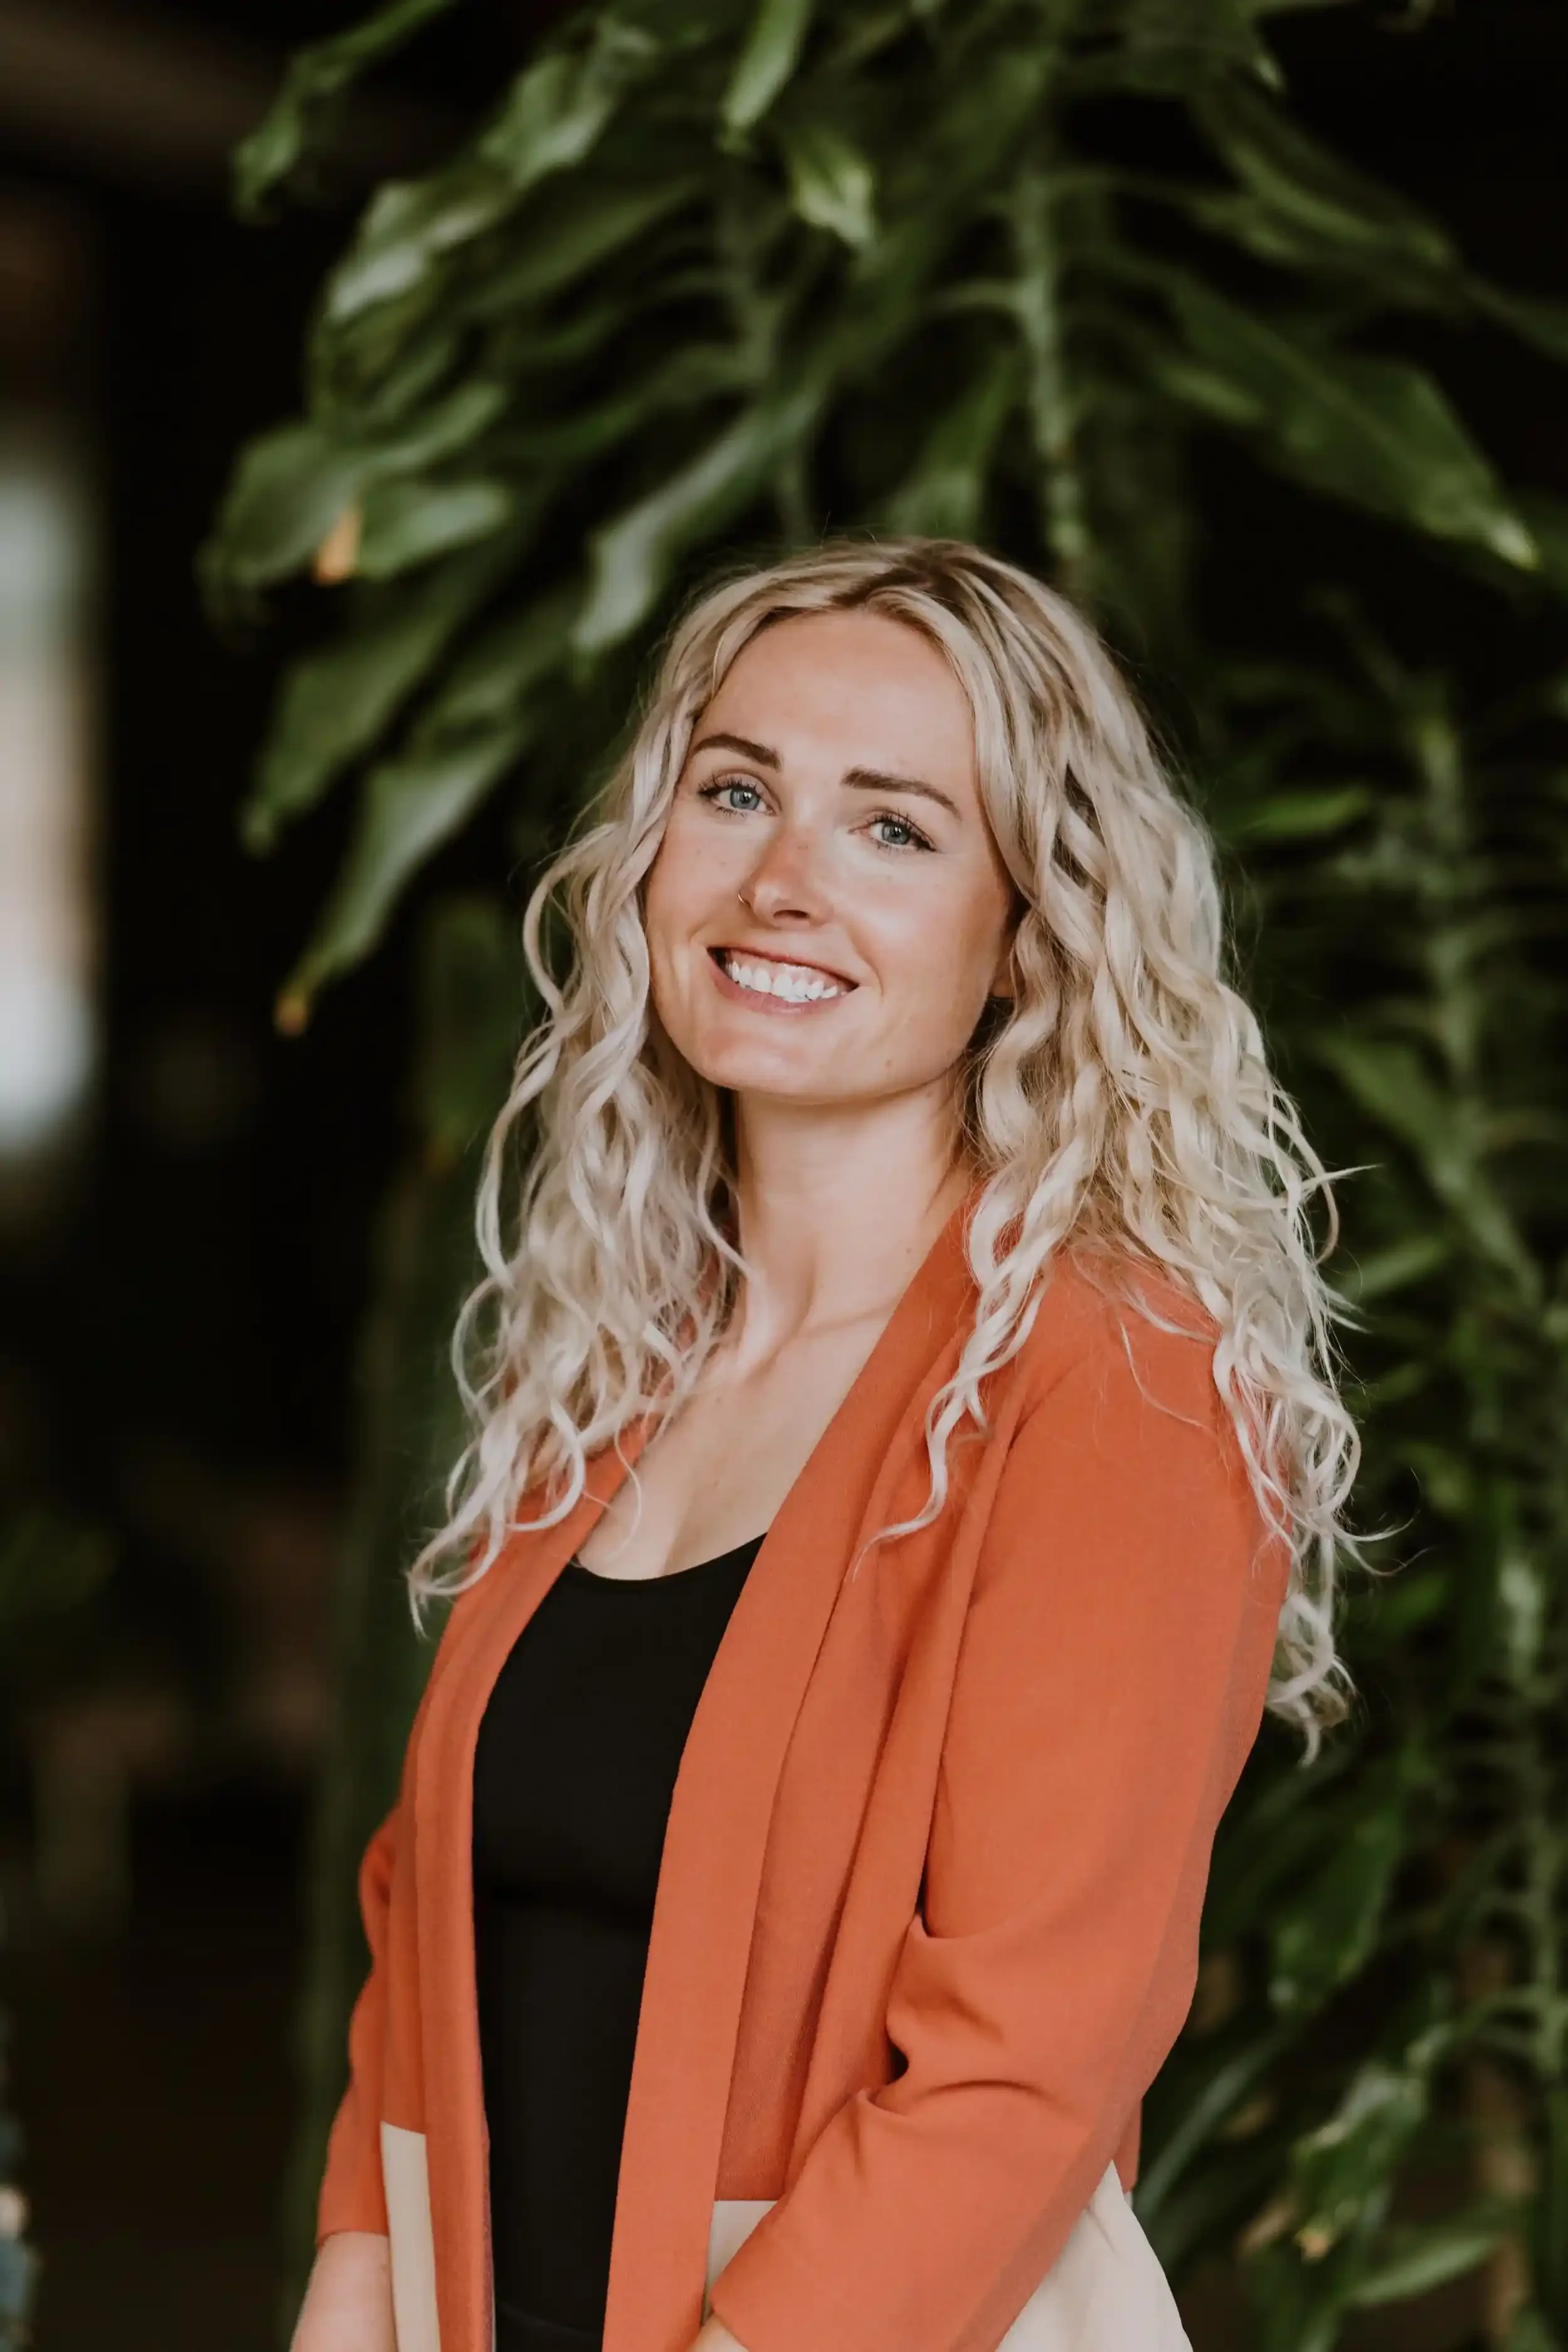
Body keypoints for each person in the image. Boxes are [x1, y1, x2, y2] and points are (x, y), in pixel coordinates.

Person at [289, 538, 1356, 2352]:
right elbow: (424, 1932)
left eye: (893, 829)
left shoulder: (1114, 1378)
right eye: (734, 790)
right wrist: (351, 2293)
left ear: (1028, 932)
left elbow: (1020, 2062)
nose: (782, 879)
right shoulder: (618, 1362)